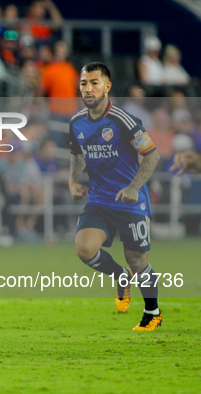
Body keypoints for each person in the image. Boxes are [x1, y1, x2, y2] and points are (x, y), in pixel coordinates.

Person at [69, 62, 162, 331]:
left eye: (94, 83)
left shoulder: (123, 120)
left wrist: (134, 187)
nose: (88, 88)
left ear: (107, 87)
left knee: (138, 260)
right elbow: (76, 154)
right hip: (99, 200)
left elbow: (152, 154)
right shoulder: (76, 123)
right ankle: (121, 276)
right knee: (84, 248)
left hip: (130, 201)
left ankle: (152, 312)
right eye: (84, 83)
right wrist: (73, 179)